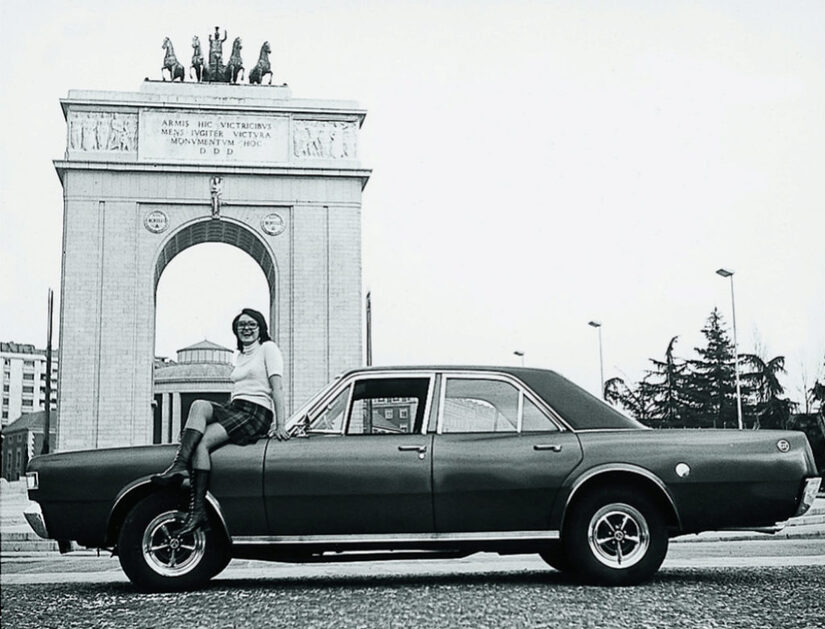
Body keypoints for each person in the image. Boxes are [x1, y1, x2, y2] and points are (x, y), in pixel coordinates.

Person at [152, 308, 289, 535]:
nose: (246, 328)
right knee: (199, 411)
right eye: (241, 325)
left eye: (251, 324)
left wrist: (281, 424)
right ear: (236, 329)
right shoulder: (241, 355)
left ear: (261, 327)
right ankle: (189, 489)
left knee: (202, 441)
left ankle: (190, 493)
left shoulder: (268, 348)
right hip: (237, 407)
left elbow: (277, 388)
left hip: (256, 412)